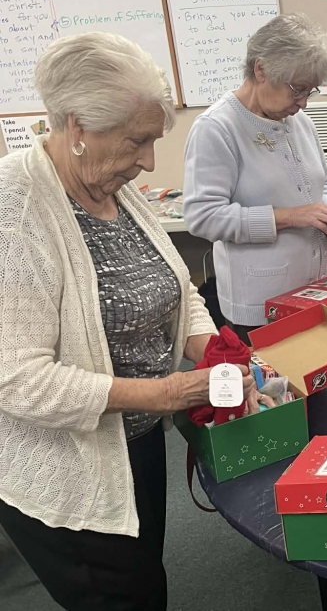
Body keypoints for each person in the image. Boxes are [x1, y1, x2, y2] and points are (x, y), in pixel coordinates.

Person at [0, 33, 260, 611]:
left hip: (134, 439)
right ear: (78, 127)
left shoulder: (111, 183)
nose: (149, 161)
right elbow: (17, 380)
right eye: (137, 140)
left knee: (144, 582)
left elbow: (176, 287)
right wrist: (170, 392)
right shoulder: (14, 211)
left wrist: (209, 349)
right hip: (71, 466)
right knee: (118, 596)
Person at [184, 13, 327, 342]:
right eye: (296, 89)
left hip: (321, 290)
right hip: (263, 304)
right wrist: (291, 217)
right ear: (261, 70)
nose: (303, 103)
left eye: (310, 91)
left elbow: (326, 181)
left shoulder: (299, 122)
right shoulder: (216, 128)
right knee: (278, 376)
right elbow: (203, 217)